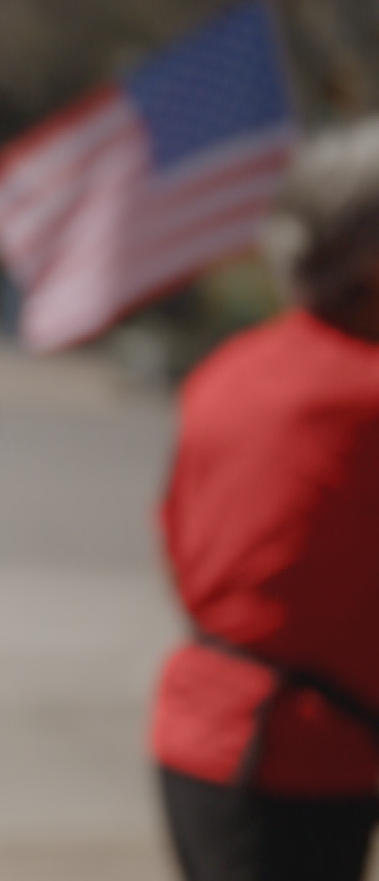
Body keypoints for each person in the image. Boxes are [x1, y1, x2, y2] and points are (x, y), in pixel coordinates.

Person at [151, 121, 379, 881]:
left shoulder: (234, 365)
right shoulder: (358, 390)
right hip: (292, 748)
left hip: (214, 731)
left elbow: (180, 541)